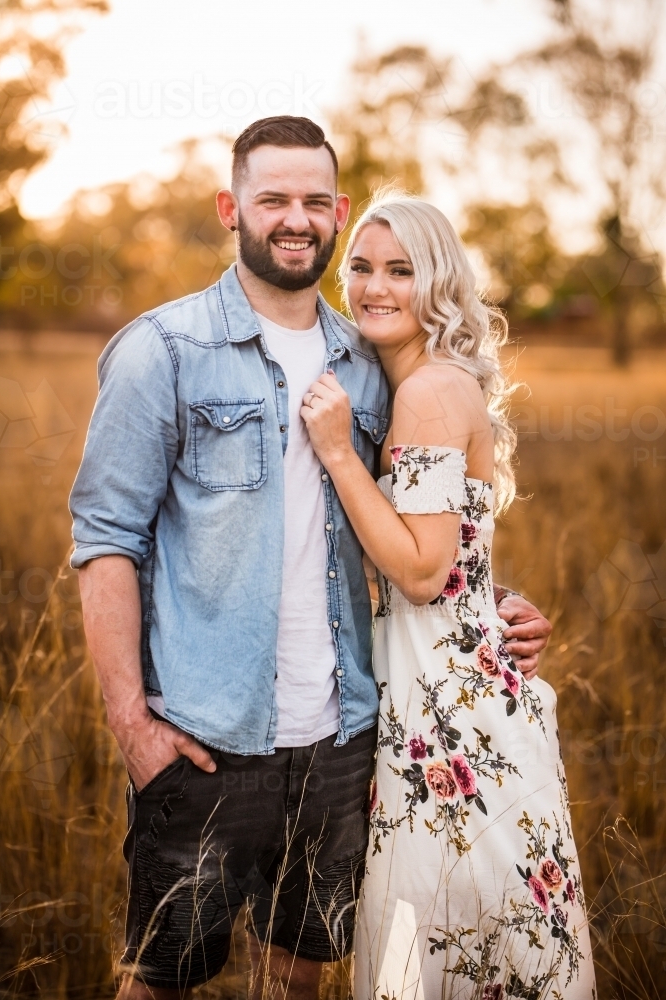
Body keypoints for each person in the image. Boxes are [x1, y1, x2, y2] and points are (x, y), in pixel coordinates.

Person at [70, 116, 552, 999]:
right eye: (272, 199)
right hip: (206, 736)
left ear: (334, 213)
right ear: (232, 208)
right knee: (159, 978)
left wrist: (489, 607)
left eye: (312, 201)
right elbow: (106, 543)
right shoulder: (163, 351)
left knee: (295, 976)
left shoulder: (370, 366)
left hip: (345, 738)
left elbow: (415, 533)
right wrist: (134, 729)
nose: (294, 218)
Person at [301, 193, 596, 999]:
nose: (374, 286)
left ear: (438, 282)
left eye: (401, 269)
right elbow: (455, 560)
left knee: (443, 932)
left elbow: (424, 572)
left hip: (452, 717)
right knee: (454, 934)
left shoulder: (429, 390)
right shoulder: (415, 385)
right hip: (439, 688)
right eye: (359, 267)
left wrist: (336, 454)